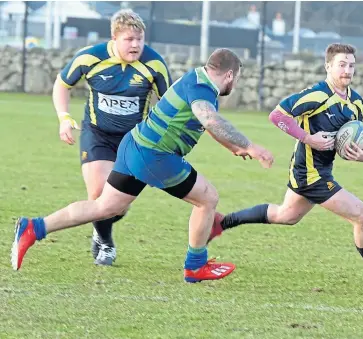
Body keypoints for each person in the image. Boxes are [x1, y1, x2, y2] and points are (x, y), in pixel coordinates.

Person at [12, 48, 275, 284]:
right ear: (230, 75)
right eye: (237, 80)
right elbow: (209, 119)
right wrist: (251, 146)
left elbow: (208, 122)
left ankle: (34, 228)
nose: (235, 84)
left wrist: (235, 147)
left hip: (135, 145)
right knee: (207, 199)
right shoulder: (203, 89)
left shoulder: (197, 78)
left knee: (104, 207)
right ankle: (195, 267)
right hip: (154, 155)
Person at [207, 43, 363, 290]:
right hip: (309, 173)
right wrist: (308, 138)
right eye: (341, 65)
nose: (347, 70)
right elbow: (277, 115)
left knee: (286, 215)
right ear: (328, 66)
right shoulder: (317, 95)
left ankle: (221, 222)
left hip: (322, 170)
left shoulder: (356, 102)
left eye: (351, 66)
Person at [54, 9, 172, 266]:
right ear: (114, 37)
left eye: (139, 39)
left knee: (117, 205)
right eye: (129, 39)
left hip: (135, 141)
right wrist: (64, 117)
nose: (136, 45)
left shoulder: (154, 64)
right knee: (98, 194)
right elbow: (62, 84)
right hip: (97, 134)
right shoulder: (89, 57)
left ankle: (100, 229)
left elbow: (168, 103)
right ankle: (106, 243)